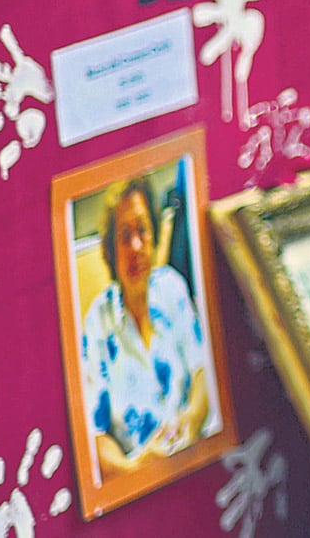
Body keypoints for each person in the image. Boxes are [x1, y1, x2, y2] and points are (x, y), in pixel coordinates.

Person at [80, 177, 213, 479]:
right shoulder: (98, 321)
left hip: (195, 464)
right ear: (111, 251)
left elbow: (204, 372)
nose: (136, 246)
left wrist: (190, 421)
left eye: (142, 230)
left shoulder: (172, 287)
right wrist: (137, 468)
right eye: (125, 236)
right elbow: (96, 436)